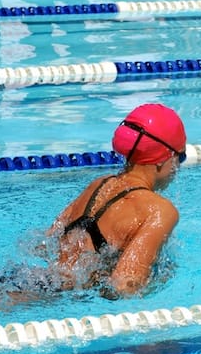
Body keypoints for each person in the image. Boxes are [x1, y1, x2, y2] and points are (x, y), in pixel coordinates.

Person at [46, 103, 187, 298]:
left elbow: (45, 245)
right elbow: (124, 286)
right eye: (182, 157)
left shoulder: (98, 185)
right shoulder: (159, 211)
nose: (179, 167)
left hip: (42, 283)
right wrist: (161, 279)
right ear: (165, 157)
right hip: (60, 298)